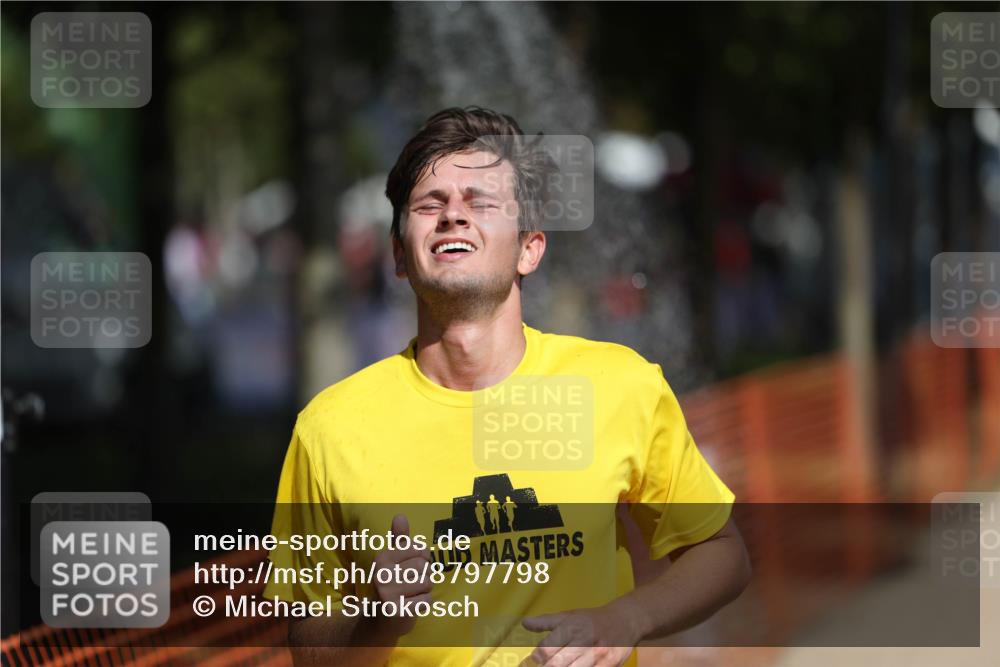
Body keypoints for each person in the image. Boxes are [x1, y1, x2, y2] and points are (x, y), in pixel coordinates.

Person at [265, 106, 750, 667]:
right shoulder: (329, 429)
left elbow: (722, 553)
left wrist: (622, 620)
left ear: (529, 248)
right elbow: (307, 650)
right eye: (430, 204)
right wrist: (375, 616)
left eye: (480, 202)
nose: (453, 216)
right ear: (399, 253)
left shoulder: (620, 386)